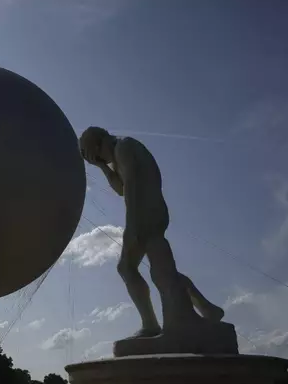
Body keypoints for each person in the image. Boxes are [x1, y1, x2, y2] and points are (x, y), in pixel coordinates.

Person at [79, 126, 223, 338]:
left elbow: (131, 189)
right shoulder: (120, 151)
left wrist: (132, 226)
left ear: (98, 146)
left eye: (96, 156)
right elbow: (120, 188)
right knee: (161, 268)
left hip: (145, 212)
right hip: (151, 211)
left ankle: (151, 324)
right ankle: (207, 308)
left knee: (127, 267)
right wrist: (103, 167)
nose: (101, 159)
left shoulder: (124, 148)